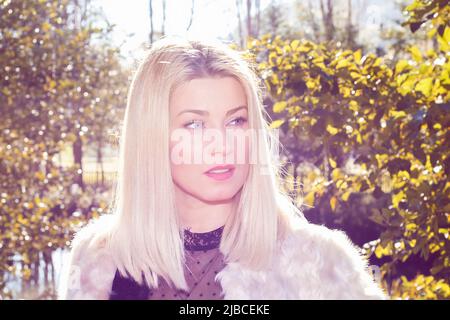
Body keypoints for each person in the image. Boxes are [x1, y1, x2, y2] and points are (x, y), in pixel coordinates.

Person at [57, 36, 388, 300]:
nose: (222, 143)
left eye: (236, 120)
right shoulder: (99, 259)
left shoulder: (319, 263)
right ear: (151, 139)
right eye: (195, 125)